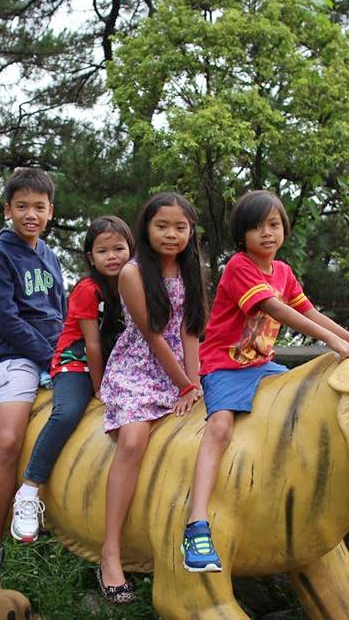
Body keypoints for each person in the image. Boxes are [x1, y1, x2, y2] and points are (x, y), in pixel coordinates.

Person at [181, 189, 349, 574]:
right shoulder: (239, 267)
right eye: (257, 227)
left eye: (274, 224)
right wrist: (332, 343)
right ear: (242, 235)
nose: (267, 233)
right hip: (224, 366)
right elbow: (274, 308)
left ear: (284, 229)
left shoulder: (283, 272)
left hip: (262, 366)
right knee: (220, 428)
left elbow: (308, 310)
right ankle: (196, 523)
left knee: (307, 405)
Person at [97, 192, 207, 603]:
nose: (171, 234)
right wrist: (184, 385)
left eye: (180, 227)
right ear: (146, 227)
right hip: (139, 367)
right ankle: (110, 553)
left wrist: (195, 384)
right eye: (162, 226)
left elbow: (190, 331)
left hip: (181, 369)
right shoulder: (133, 272)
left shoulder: (192, 269)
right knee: (133, 440)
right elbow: (154, 335)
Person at [0, 167, 66, 609]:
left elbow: (61, 311)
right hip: (17, 358)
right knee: (8, 439)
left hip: (58, 353)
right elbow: (5, 319)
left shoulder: (49, 255)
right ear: (7, 209)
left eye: (39, 207)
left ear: (50, 212)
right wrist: (49, 358)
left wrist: (70, 354)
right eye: (22, 206)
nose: (31, 214)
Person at [11, 215, 134, 543]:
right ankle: (29, 488)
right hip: (77, 362)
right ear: (91, 257)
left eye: (119, 249)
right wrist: (99, 388)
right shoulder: (88, 289)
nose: (112, 257)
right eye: (103, 251)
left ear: (131, 250)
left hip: (118, 362)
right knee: (67, 413)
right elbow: (92, 345)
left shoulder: (134, 284)